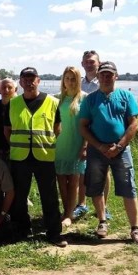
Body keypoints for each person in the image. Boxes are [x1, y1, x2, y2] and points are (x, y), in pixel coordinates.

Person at [78, 61, 138, 245]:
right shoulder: (90, 99)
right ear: (98, 77)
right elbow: (83, 126)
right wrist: (99, 146)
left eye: (110, 75)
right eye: (103, 74)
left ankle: (135, 228)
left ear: (116, 76)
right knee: (96, 187)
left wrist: (120, 146)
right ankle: (102, 222)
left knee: (128, 187)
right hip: (96, 150)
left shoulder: (126, 96)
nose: (106, 78)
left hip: (121, 150)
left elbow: (134, 124)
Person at [4, 67, 66, 247]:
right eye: (25, 79)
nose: (29, 82)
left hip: (44, 156)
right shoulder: (13, 103)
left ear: (38, 80)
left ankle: (54, 233)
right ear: (20, 82)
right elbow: (7, 130)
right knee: (19, 196)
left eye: (32, 79)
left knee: (49, 196)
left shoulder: (53, 102)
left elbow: (57, 128)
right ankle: (22, 229)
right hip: (20, 157)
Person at [73, 50, 112, 220]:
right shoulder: (79, 84)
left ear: (99, 63)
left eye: (92, 62)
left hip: (99, 134)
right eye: (86, 62)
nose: (89, 64)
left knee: (104, 171)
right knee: (82, 170)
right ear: (82, 64)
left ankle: (104, 207)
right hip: (82, 131)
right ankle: (81, 205)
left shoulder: (104, 81)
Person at [55, 67, 87, 227]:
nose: (70, 81)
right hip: (59, 145)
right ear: (63, 81)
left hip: (76, 144)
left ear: (78, 80)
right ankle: (66, 210)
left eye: (73, 78)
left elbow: (89, 125)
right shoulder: (56, 99)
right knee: (61, 180)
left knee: (74, 181)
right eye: (67, 78)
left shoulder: (84, 99)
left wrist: (85, 146)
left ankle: (69, 214)